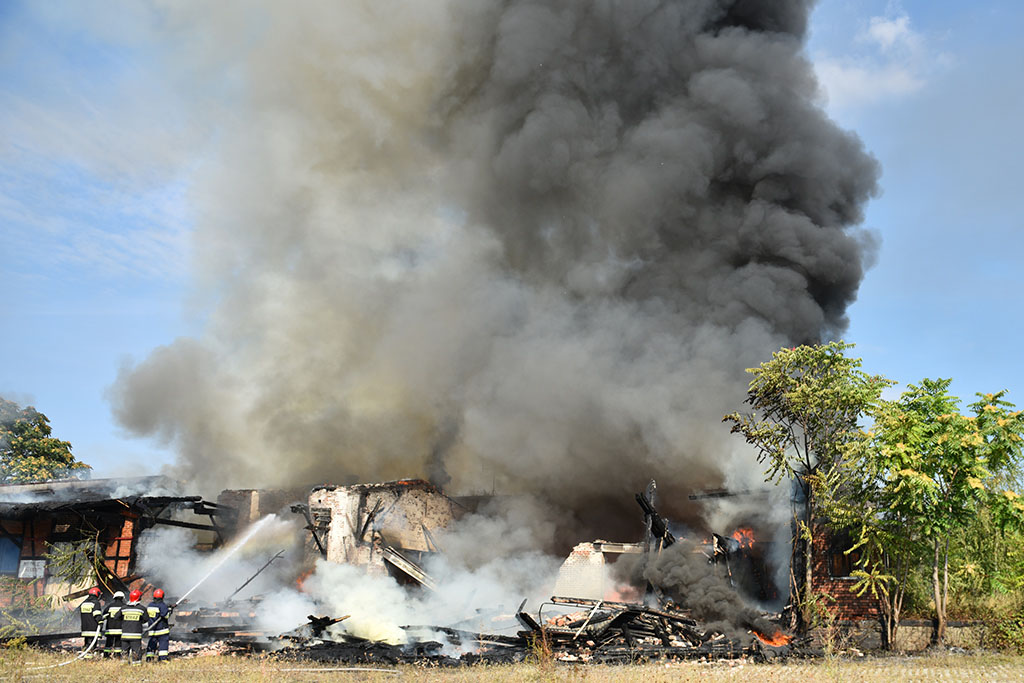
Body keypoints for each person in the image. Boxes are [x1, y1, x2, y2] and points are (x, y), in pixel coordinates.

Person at [120, 589, 147, 665]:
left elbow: (116, 617)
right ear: (139, 598)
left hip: (125, 635)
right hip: (136, 635)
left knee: (124, 652)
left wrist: (125, 621)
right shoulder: (141, 609)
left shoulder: (124, 608)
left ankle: (124, 666)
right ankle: (136, 667)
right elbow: (146, 619)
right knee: (136, 652)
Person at [145, 588, 171, 662]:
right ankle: (163, 659)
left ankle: (149, 658)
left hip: (152, 629)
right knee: (163, 644)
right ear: (162, 596)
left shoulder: (150, 605)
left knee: (151, 643)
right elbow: (165, 616)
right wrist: (170, 611)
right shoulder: (162, 605)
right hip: (161, 630)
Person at [78, 587, 103, 659]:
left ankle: (86, 656)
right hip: (93, 628)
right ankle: (89, 659)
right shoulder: (95, 603)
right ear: (97, 594)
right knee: (92, 645)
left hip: (85, 628)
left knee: (86, 644)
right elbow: (97, 615)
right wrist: (101, 623)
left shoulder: (83, 603)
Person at [101, 590, 125, 658]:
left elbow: (103, 616)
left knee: (108, 643)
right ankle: (117, 656)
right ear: (122, 598)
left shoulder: (109, 606)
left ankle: (106, 656)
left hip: (110, 629)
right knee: (118, 644)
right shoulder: (124, 606)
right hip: (119, 629)